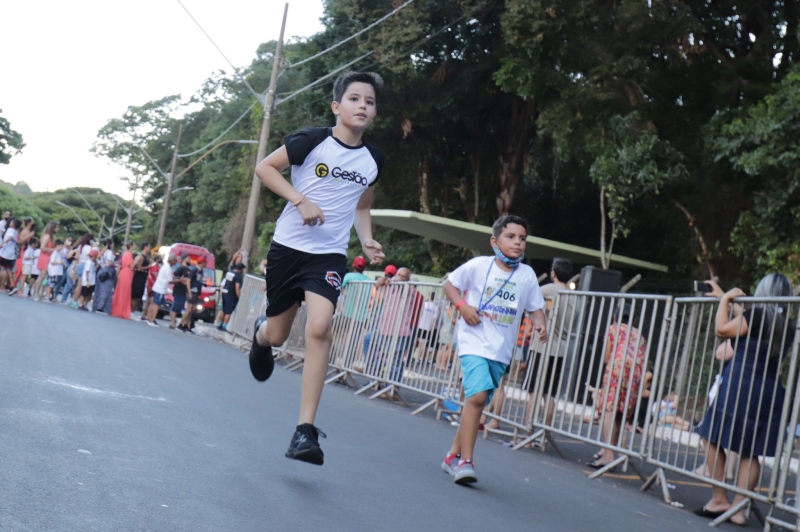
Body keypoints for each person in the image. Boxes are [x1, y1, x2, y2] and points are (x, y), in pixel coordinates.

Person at [249, 71, 386, 466]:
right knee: (277, 335)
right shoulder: (312, 140)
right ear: (336, 106)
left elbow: (361, 204)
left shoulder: (373, 159)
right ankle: (261, 335)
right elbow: (265, 168)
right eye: (355, 98)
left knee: (320, 326)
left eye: (370, 101)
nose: (363, 105)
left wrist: (366, 238)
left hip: (328, 256)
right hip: (288, 249)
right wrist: (300, 199)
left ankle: (304, 430)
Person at [440, 214, 547, 485]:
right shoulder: (478, 265)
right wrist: (463, 307)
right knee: (476, 399)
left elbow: (535, 307)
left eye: (522, 238)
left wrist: (540, 324)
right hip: (473, 342)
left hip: (501, 350)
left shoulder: (527, 275)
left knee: (475, 404)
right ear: (494, 240)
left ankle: (452, 455)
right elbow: (449, 285)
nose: (518, 243)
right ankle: (466, 461)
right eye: (511, 237)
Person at [694, 275, 793, 526]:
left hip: (742, 383)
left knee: (711, 435)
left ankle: (719, 499)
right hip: (769, 390)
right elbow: (754, 318)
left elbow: (721, 329)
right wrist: (723, 296)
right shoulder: (787, 325)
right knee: (751, 450)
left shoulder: (757, 317)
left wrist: (725, 300)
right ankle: (739, 509)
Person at [588, 304, 646, 469]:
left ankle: (608, 454)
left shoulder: (614, 328)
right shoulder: (639, 335)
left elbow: (607, 356)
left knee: (608, 408)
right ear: (634, 319)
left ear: (615, 317)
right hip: (635, 372)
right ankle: (612, 451)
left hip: (617, 367)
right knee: (622, 412)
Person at [146, 253, 178, 327]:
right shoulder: (168, 268)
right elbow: (170, 280)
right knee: (157, 304)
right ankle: (152, 319)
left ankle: (150, 318)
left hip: (157, 287)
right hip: (161, 288)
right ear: (172, 261)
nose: (176, 262)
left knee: (154, 303)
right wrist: (179, 281)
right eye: (175, 261)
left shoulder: (165, 266)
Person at [179, 255, 207, 333]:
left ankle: (187, 325)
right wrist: (190, 292)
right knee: (188, 309)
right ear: (203, 263)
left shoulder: (201, 271)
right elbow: (188, 281)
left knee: (192, 310)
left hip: (197, 292)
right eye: (205, 262)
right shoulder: (195, 270)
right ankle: (181, 324)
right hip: (192, 291)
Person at [32, 221, 58, 300]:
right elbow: (42, 247)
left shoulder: (51, 237)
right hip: (45, 257)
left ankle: (38, 293)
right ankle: (36, 293)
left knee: (43, 276)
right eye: (57, 227)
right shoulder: (47, 236)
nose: (58, 229)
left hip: (48, 257)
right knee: (41, 276)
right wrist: (53, 249)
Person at [111, 242, 136, 319]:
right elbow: (131, 266)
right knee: (125, 291)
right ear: (131, 246)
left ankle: (118, 309)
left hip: (123, 272)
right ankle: (122, 311)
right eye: (134, 245)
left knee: (121, 291)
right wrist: (136, 261)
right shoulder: (129, 254)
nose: (135, 246)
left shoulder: (124, 254)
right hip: (127, 272)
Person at [69, 233, 94, 308]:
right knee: (80, 285)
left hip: (79, 264)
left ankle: (74, 300)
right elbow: (91, 255)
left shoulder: (80, 246)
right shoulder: (88, 247)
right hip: (84, 265)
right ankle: (74, 301)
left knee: (79, 284)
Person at [218, 262, 245, 331]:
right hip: (231, 295)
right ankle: (224, 326)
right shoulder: (238, 276)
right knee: (228, 312)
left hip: (224, 292)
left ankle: (220, 324)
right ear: (241, 269)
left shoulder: (229, 272)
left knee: (223, 310)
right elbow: (237, 288)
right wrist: (240, 297)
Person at [93, 240, 117, 314]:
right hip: (107, 271)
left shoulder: (103, 252)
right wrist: (115, 264)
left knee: (99, 289)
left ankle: (96, 305)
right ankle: (102, 307)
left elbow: (98, 258)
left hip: (101, 270)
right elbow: (109, 263)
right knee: (106, 290)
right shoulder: (109, 252)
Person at [169, 254, 191, 329]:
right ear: (184, 259)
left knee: (180, 307)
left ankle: (178, 323)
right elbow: (174, 277)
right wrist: (180, 280)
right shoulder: (181, 268)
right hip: (178, 290)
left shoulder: (188, 269)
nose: (190, 259)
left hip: (184, 291)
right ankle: (172, 323)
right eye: (188, 258)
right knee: (175, 306)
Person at [131, 242, 152, 314]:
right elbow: (139, 267)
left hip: (143, 277)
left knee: (139, 295)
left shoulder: (146, 257)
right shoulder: (141, 256)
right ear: (145, 247)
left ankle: (132, 310)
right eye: (149, 246)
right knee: (136, 295)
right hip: (139, 277)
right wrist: (148, 267)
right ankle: (131, 311)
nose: (150, 248)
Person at [0, 217, 20, 294]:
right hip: (10, 254)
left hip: (4, 253)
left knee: (3, 269)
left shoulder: (10, 230)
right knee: (8, 269)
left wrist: (3, 242)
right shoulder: (16, 232)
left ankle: (4, 285)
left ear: (13, 224)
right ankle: (11, 285)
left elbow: (10, 237)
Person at [142, 254, 162, 320]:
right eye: (159, 258)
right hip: (152, 284)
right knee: (151, 301)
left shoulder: (154, 265)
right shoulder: (155, 266)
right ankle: (148, 316)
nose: (161, 259)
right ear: (156, 259)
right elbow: (155, 274)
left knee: (148, 301)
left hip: (150, 284)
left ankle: (143, 316)